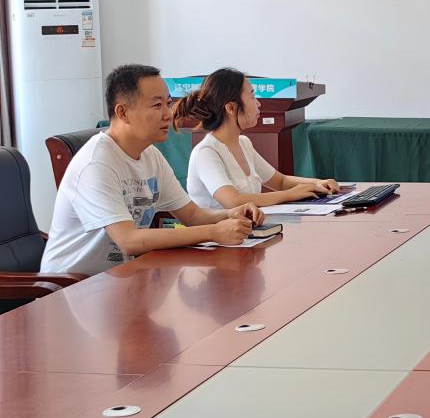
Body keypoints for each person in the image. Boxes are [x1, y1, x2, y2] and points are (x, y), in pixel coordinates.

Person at [41, 65, 264, 276]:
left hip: (121, 279)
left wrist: (230, 214)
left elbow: (192, 215)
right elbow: (128, 240)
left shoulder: (150, 155)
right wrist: (213, 232)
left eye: (168, 103)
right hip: (71, 287)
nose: (168, 114)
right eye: (157, 106)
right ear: (123, 112)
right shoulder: (96, 164)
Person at [173, 68, 340, 209]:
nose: (259, 103)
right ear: (231, 108)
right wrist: (290, 195)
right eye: (253, 97)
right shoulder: (206, 152)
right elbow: (232, 201)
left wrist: (318, 183)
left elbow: (280, 181)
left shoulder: (243, 143)